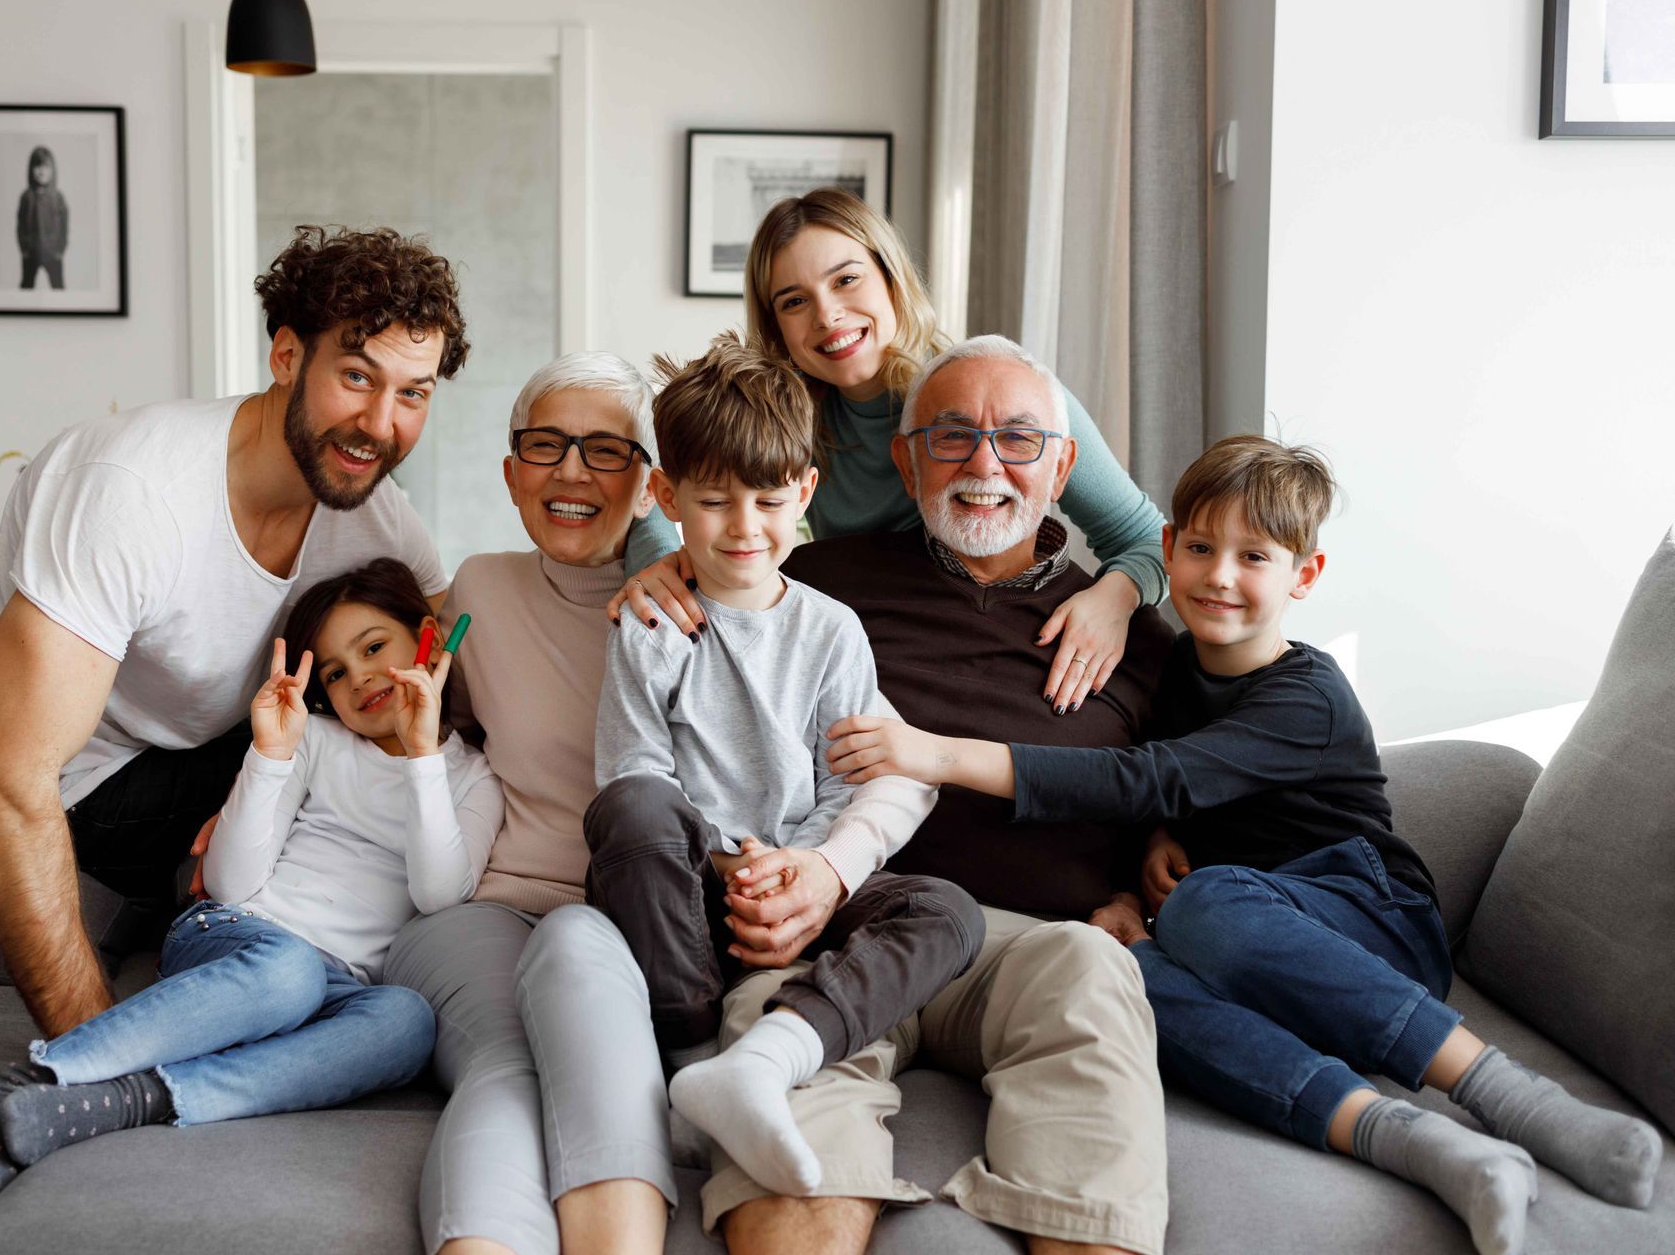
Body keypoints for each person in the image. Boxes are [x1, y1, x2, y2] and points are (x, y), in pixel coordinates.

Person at [836, 435, 1664, 1255]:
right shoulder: (1166, 666)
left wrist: (940, 755)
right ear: (1168, 550)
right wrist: (1138, 872)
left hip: (1369, 923)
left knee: (1207, 900)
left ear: (1304, 575)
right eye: (1199, 548)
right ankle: (1422, 1144)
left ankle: (1519, 1102)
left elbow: (1151, 777)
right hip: (1234, 950)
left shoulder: (1307, 698)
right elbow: (1161, 799)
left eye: (1254, 556)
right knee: (1115, 974)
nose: (1220, 576)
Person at [0, 225, 469, 1041]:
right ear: (286, 355)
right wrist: (95, 1047)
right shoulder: (133, 490)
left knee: (392, 732)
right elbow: (0, 785)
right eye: (356, 376)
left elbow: (462, 663)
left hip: (195, 763)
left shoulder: (377, 521)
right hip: (77, 788)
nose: (378, 423)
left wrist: (656, 572)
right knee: (321, 748)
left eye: (413, 394)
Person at [702, 334, 1176, 1255]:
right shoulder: (811, 585)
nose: (985, 464)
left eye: (1019, 439)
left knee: (1093, 971)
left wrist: (1147, 876)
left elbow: (1179, 783)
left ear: (1064, 463)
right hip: (845, 922)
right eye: (952, 436)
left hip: (1032, 946)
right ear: (906, 457)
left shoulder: (1134, 633)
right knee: (779, 1062)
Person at [0, 558, 496, 1209]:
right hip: (240, 938)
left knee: (406, 1022)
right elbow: (231, 883)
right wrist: (269, 754)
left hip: (341, 983)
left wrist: (423, 754)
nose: (361, 677)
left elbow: (438, 895)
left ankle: (135, 1100)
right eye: (337, 672)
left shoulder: (473, 778)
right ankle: (32, 1078)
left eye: (375, 648)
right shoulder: (314, 739)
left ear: (429, 639)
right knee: (288, 971)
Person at [582, 333, 980, 1198]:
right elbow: (634, 773)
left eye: (767, 500)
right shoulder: (653, 625)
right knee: (634, 813)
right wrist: (731, 858)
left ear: (803, 492)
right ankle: (689, 1057)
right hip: (687, 898)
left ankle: (769, 1054)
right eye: (715, 501)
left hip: (799, 887)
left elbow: (849, 777)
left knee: (947, 911)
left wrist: (799, 867)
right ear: (667, 498)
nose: (744, 527)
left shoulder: (830, 628)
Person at [615, 187, 1163, 715]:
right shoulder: (793, 418)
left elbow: (1147, 538)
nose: (827, 315)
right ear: (777, 327)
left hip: (994, 637)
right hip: (874, 653)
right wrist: (661, 560)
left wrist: (1114, 597)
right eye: (795, 301)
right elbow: (658, 485)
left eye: (847, 279)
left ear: (892, 278)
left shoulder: (997, 396)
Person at [374, 353, 677, 1255]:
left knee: (583, 1007)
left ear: (653, 482)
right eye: (545, 447)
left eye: (604, 450)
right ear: (511, 474)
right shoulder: (477, 589)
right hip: (491, 905)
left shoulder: (700, 608)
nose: (572, 472)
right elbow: (423, 732)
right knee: (506, 1062)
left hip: (636, 925)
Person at [18, 145, 69, 290]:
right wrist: (24, 248)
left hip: (53, 254)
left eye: (46, 167)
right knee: (26, 286)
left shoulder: (58, 198)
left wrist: (60, 249)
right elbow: (20, 225)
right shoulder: (26, 197)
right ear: (31, 169)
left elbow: (64, 226)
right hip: (31, 252)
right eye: (37, 166)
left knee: (58, 287)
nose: (41, 171)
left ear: (53, 170)